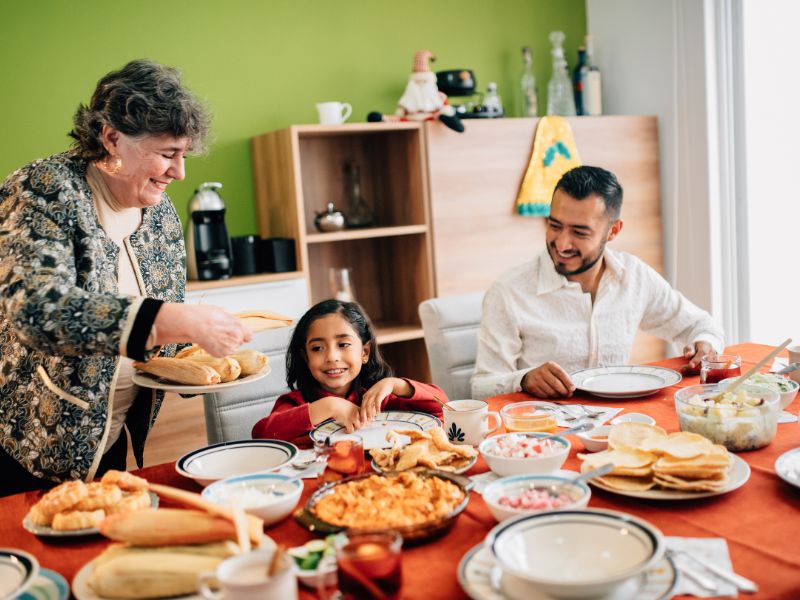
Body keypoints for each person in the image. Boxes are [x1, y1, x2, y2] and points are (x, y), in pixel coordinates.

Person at [0, 59, 252, 496]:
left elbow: (160, 339)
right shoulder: (42, 188)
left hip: (108, 440)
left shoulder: (161, 215)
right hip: (31, 442)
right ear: (112, 137)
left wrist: (204, 355)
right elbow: (37, 309)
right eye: (167, 153)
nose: (180, 172)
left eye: (184, 154)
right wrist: (172, 320)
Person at [471, 165, 724, 400]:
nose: (562, 244)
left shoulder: (634, 277)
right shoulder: (508, 292)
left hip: (618, 424)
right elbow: (481, 388)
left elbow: (701, 324)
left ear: (613, 231)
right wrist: (523, 379)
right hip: (544, 434)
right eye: (554, 225)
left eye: (579, 232)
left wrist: (705, 345)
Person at [252, 299, 444, 443]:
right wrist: (329, 406)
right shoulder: (296, 403)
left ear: (365, 352)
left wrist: (395, 384)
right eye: (317, 348)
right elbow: (261, 435)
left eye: (343, 344)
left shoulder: (378, 399)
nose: (332, 357)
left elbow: (443, 407)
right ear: (305, 357)